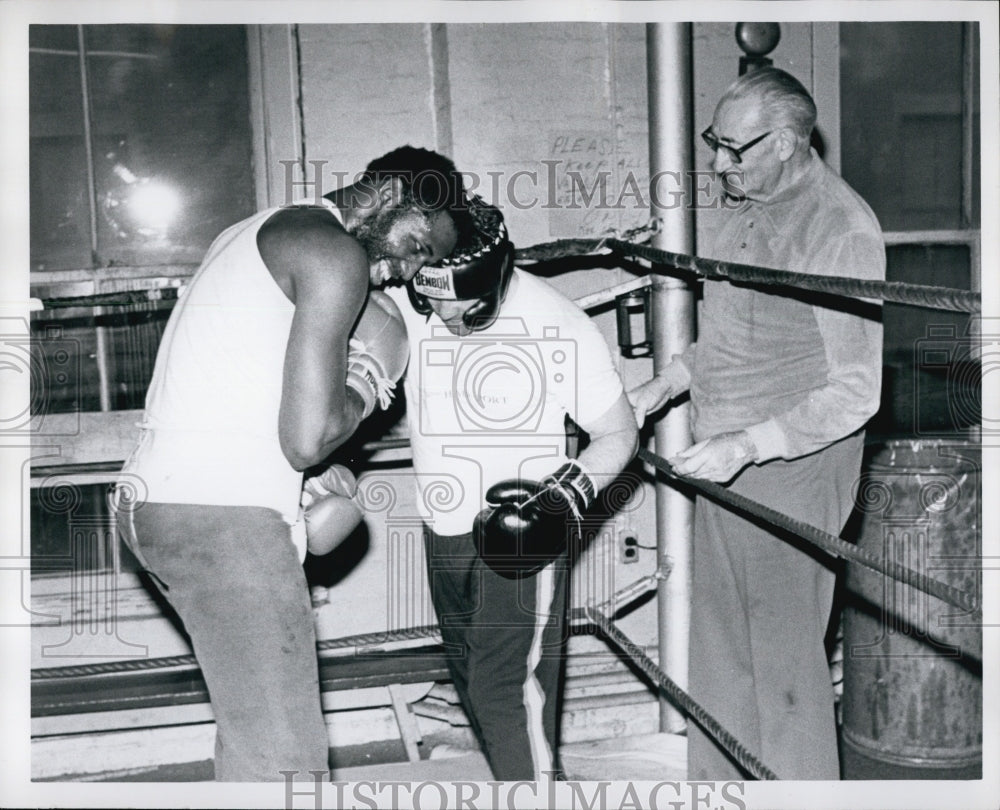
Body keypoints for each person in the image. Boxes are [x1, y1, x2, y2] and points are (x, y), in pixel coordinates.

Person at [115, 146, 468, 781]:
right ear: (391, 194)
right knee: (288, 770)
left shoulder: (259, 228)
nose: (407, 271)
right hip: (221, 520)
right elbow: (306, 440)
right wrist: (366, 384)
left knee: (254, 740)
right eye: (418, 245)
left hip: (156, 504)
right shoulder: (336, 255)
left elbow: (254, 396)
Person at [629, 67, 884, 780]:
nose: (718, 163)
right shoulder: (748, 202)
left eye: (736, 149)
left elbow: (858, 389)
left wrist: (748, 444)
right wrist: (664, 385)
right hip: (728, 456)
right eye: (715, 142)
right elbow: (738, 335)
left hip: (793, 465)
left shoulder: (839, 228)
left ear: (791, 143)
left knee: (783, 666)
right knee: (718, 650)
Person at [385, 196, 638, 781]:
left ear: (496, 279)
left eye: (466, 312)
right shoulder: (407, 297)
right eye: (435, 308)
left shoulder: (557, 323)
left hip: (523, 532)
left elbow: (618, 432)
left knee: (506, 688)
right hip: (442, 526)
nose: (447, 324)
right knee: (474, 678)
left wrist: (559, 500)